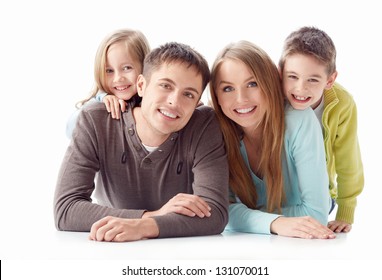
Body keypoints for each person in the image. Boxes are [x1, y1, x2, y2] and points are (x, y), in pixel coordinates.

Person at [54, 42, 229, 242]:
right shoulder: (95, 120)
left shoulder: (203, 125)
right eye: (165, 86)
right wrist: (152, 216)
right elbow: (66, 209)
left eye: (188, 94)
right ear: (141, 85)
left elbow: (215, 214)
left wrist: (144, 226)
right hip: (112, 250)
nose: (174, 102)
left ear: (197, 101)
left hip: (179, 254)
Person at [209, 40, 335, 239]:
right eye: (227, 88)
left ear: (269, 82)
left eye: (252, 84)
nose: (241, 98)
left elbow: (317, 216)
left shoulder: (298, 120)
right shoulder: (216, 131)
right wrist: (276, 222)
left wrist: (250, 218)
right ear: (216, 96)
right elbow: (220, 212)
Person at [278, 26, 364, 233]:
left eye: (313, 80)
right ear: (280, 73)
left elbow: (348, 160)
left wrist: (345, 212)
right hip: (278, 194)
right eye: (292, 77)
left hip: (319, 198)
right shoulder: (273, 97)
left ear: (330, 80)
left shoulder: (342, 104)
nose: (300, 88)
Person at [66, 29, 150, 139]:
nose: (118, 78)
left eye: (126, 68)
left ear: (145, 67)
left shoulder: (150, 102)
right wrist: (100, 99)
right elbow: (71, 129)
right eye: (109, 71)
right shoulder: (100, 102)